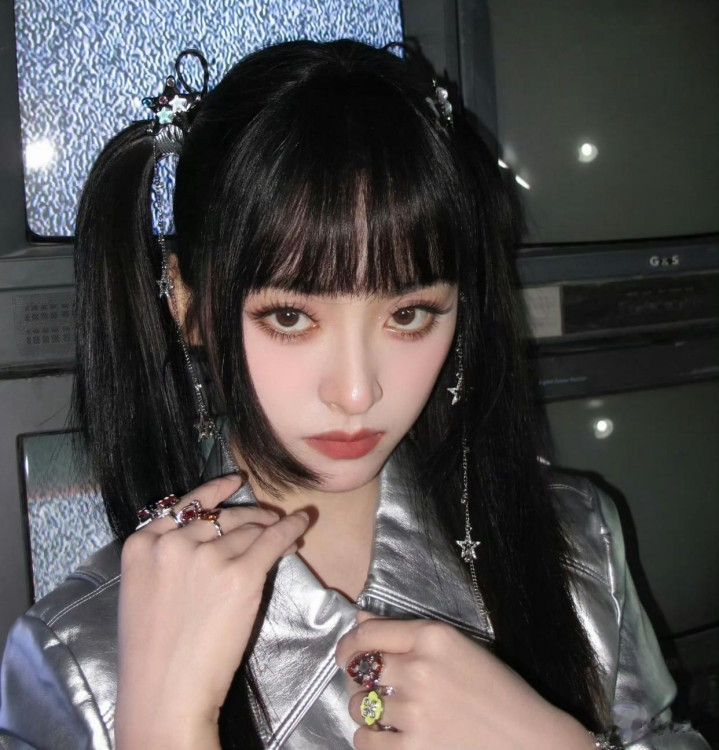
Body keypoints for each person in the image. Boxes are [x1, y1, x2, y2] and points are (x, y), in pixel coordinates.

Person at [0, 39, 709, 750]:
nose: (356, 391)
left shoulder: (574, 538)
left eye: (409, 314)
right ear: (187, 304)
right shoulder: (79, 658)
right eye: (289, 317)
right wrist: (163, 727)